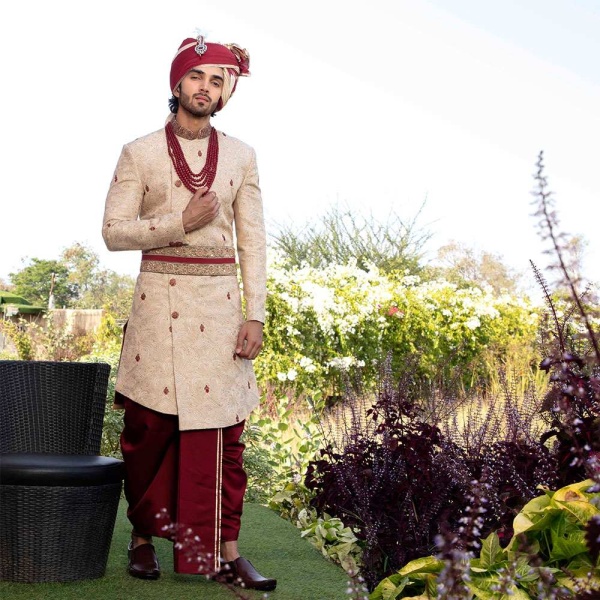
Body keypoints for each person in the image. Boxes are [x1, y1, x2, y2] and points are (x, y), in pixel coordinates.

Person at [102, 31, 276, 591]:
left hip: (222, 307)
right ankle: (142, 539)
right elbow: (112, 232)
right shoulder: (140, 152)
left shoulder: (244, 156)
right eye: (197, 76)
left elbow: (254, 240)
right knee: (149, 429)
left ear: (227, 93)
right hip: (159, 300)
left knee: (224, 434)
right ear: (177, 83)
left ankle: (226, 552)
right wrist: (180, 224)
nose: (207, 87)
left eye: (219, 80)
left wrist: (257, 314)